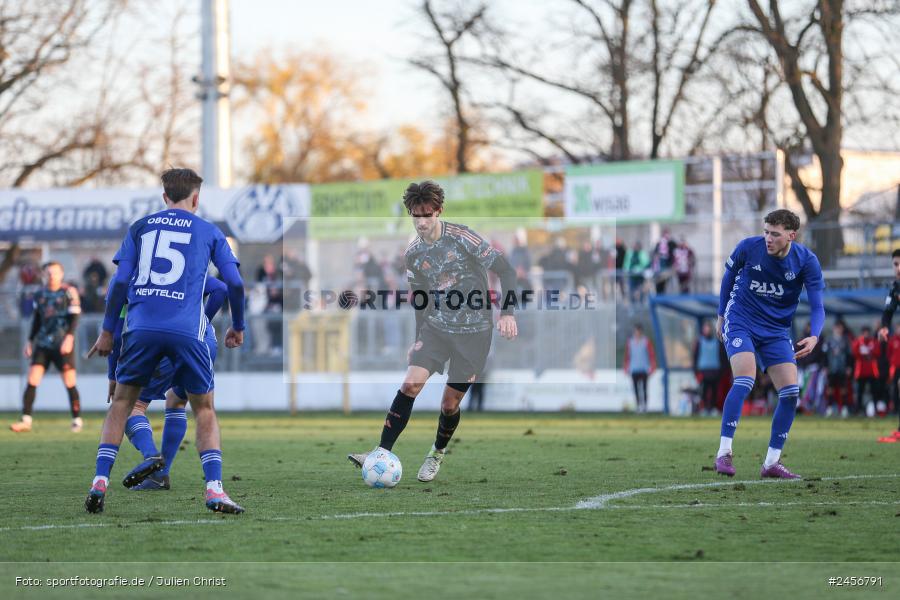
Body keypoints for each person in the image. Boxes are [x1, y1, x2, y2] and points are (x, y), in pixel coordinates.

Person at [84, 168, 246, 515]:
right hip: (188, 332)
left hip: (140, 328)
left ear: (164, 198)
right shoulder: (209, 231)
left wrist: (108, 331)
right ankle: (215, 490)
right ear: (196, 198)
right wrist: (238, 324)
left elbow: (120, 282)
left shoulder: (140, 228)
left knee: (122, 405)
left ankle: (100, 482)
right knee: (203, 408)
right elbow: (234, 283)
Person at [347, 181, 518, 482]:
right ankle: (381, 452)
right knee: (411, 384)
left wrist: (507, 313)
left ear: (439, 211)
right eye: (416, 216)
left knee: (449, 404)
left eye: (427, 214)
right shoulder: (413, 254)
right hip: (437, 328)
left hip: (474, 333)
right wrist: (418, 340)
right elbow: (420, 300)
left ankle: (436, 454)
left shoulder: (463, 237)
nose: (422, 222)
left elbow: (506, 270)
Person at [713, 209, 825, 479]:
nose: (768, 238)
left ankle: (771, 463)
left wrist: (815, 334)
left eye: (775, 234)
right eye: (766, 231)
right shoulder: (748, 248)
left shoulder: (806, 261)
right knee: (745, 379)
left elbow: (818, 305)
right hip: (741, 319)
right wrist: (720, 316)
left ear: (791, 235)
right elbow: (728, 280)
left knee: (790, 392)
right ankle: (723, 453)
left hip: (775, 330)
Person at [112, 274, 228, 490]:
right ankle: (162, 476)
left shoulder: (131, 275)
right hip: (204, 341)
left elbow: (116, 331)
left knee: (133, 407)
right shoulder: (186, 266)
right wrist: (201, 323)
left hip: (163, 340)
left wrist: (114, 373)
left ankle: (152, 458)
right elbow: (221, 288)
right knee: (177, 400)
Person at [10, 262, 83, 433]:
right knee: (32, 380)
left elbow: (75, 317)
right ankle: (25, 419)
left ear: (61, 274)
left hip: (62, 344)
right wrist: (30, 341)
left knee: (69, 382)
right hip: (43, 344)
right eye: (49, 273)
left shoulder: (68, 292)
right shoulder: (39, 294)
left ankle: (77, 419)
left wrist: (69, 337)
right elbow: (36, 319)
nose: (52, 276)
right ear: (44, 275)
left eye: (55, 273)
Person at [876, 248, 900, 441]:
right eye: (895, 264)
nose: (898, 268)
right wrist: (884, 327)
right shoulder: (895, 288)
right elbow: (887, 312)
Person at [822, 321, 853, 417]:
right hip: (832, 368)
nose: (838, 330)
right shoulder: (829, 340)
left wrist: (849, 367)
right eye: (837, 328)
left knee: (844, 389)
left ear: (842, 329)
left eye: (840, 328)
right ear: (834, 329)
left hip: (842, 368)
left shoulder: (845, 340)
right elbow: (824, 355)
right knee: (830, 389)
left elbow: (849, 355)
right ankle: (830, 408)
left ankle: (844, 408)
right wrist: (825, 367)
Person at [623, 323, 656, 413]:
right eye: (636, 331)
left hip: (644, 369)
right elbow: (627, 356)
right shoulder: (630, 342)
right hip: (634, 369)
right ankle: (638, 406)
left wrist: (652, 367)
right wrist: (626, 367)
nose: (637, 333)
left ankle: (644, 406)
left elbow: (651, 355)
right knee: (636, 389)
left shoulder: (646, 341)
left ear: (641, 331)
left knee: (644, 389)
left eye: (638, 331)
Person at [852, 326, 881, 417]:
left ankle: (875, 409)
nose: (866, 334)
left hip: (872, 371)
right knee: (860, 392)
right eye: (864, 332)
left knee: (874, 391)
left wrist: (868, 352)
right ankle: (858, 409)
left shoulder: (873, 341)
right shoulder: (858, 342)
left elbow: (877, 352)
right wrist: (864, 353)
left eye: (867, 332)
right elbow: (855, 352)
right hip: (861, 372)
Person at [693, 321, 721, 415]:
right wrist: (695, 370)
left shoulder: (717, 341)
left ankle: (712, 408)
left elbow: (722, 356)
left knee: (714, 391)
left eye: (708, 328)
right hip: (703, 370)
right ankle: (704, 408)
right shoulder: (699, 341)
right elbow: (695, 356)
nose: (707, 330)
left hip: (714, 370)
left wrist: (721, 370)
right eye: (705, 328)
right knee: (704, 391)